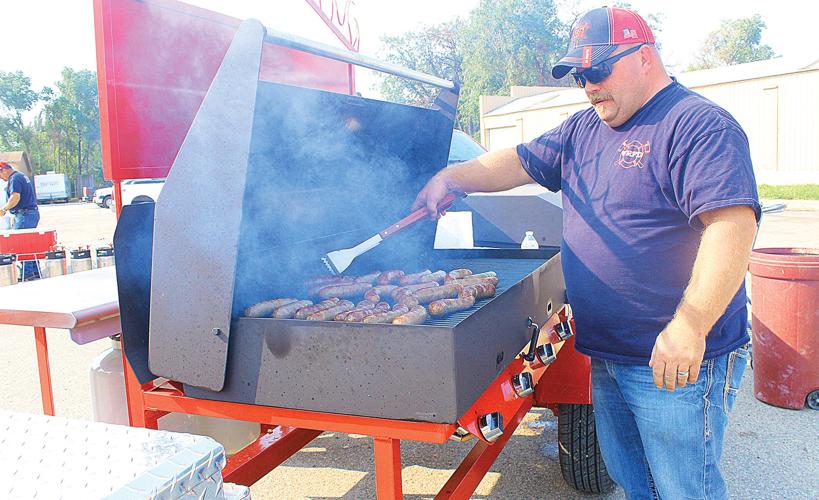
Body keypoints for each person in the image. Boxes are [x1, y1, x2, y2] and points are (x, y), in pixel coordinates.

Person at [413, 6, 760, 499]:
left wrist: (690, 326)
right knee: (634, 480)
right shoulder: (583, 129)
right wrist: (450, 177)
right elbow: (516, 162)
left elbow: (732, 226)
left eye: (598, 70)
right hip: (608, 350)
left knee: (686, 489)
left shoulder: (698, 125)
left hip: (675, 357)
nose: (589, 85)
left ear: (644, 58)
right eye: (580, 75)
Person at [0, 161, 41, 280]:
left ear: (4, 170)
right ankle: (34, 271)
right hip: (29, 213)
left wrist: (4, 209)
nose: (1, 179)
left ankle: (27, 273)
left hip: (25, 214)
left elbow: (15, 196)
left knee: (22, 244)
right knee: (30, 244)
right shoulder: (21, 176)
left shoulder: (15, 178)